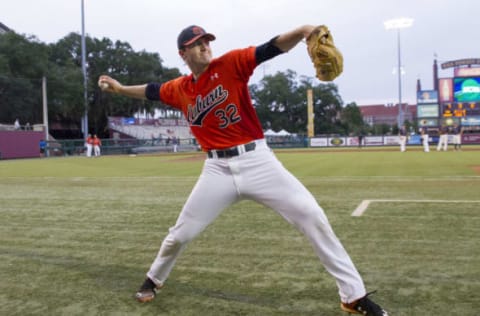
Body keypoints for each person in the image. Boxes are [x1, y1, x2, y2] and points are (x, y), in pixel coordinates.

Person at [98, 24, 388, 316]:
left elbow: (269, 48)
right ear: (183, 53)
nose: (205, 46)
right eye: (197, 43)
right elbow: (151, 91)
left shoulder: (231, 64)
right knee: (181, 234)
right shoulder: (180, 89)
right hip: (217, 170)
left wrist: (302, 32)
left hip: (258, 162)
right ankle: (153, 278)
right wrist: (121, 88)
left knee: (313, 217)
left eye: (207, 41)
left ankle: (353, 296)